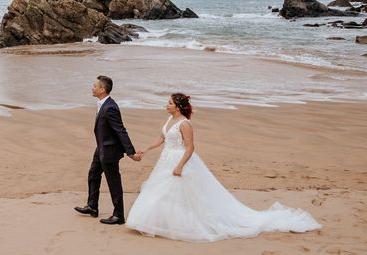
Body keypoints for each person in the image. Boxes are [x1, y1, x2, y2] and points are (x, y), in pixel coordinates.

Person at [126, 93, 322, 241]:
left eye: (169, 103)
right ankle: (157, 222)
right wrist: (147, 149)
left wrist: (179, 166)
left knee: (181, 193)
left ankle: (183, 225)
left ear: (177, 107)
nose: (166, 105)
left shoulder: (185, 124)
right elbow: (162, 138)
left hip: (179, 160)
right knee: (161, 190)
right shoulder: (170, 120)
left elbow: (191, 147)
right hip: (165, 158)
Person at [75, 75, 142, 225]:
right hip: (101, 148)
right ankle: (92, 206)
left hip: (110, 150)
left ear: (102, 89)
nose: (92, 88)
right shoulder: (102, 103)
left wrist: (131, 152)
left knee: (113, 182)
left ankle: (119, 215)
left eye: (94, 86)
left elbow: (120, 130)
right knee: (93, 174)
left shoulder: (110, 107)